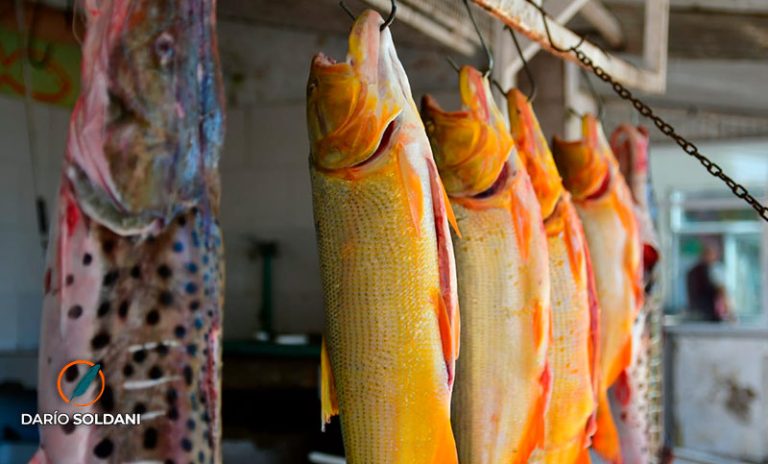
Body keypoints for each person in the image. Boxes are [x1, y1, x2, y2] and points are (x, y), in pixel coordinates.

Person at [686, 244, 732, 322]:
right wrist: (729, 311)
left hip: (698, 312)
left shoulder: (692, 271)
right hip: (711, 313)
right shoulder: (713, 270)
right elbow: (722, 291)